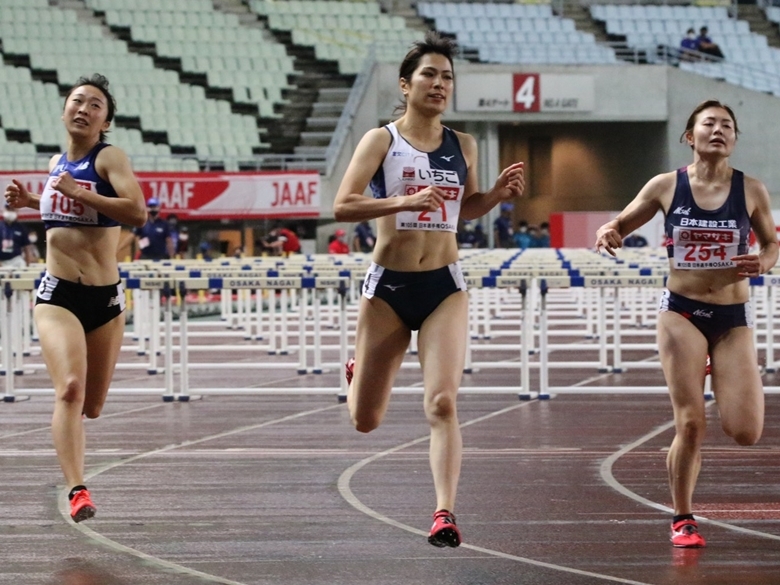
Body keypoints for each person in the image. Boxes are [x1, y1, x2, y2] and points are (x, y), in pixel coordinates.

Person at [333, 31, 524, 548]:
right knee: (365, 420)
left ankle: (444, 513)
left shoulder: (464, 144)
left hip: (444, 284)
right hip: (389, 287)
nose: (440, 84)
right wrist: (401, 202)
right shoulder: (382, 140)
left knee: (442, 402)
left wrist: (496, 197)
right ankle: (356, 373)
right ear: (406, 84)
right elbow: (343, 205)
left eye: (447, 77)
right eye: (429, 75)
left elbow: (463, 208)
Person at [594, 100, 778, 548]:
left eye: (727, 126)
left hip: (733, 318)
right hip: (681, 312)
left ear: (734, 139)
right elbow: (622, 220)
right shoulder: (665, 186)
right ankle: (683, 517)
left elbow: (773, 245)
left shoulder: (751, 189)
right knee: (691, 422)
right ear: (689, 136)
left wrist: (764, 262)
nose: (719, 130)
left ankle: (717, 368)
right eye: (709, 123)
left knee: (746, 431)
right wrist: (609, 230)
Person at [3, 73, 147, 523]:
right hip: (57, 293)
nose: (84, 108)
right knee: (69, 390)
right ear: (64, 110)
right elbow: (62, 217)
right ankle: (77, 489)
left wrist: (79, 192)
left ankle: (76, 457)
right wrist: (33, 202)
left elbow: (137, 213)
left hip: (105, 301)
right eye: (77, 101)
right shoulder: (54, 165)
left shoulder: (109, 159)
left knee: (93, 406)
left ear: (105, 122)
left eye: (95, 105)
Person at [0, 203, 35, 267]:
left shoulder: (21, 228)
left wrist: (28, 264)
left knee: (22, 265)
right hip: (1, 261)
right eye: (8, 209)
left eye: (12, 210)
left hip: (16, 260)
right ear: (4, 210)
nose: (10, 211)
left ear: (16, 211)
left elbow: (26, 247)